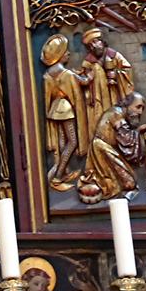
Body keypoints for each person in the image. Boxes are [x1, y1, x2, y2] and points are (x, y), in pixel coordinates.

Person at [77, 93, 146, 204]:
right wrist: (141, 130)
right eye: (138, 107)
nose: (140, 112)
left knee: (129, 183)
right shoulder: (116, 114)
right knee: (129, 184)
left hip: (106, 149)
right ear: (127, 104)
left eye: (142, 108)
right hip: (102, 150)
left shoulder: (118, 113)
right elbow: (127, 139)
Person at [40, 35, 91, 191]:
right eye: (65, 52)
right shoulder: (66, 74)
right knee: (73, 141)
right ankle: (58, 175)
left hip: (55, 108)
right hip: (66, 109)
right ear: (59, 55)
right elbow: (83, 82)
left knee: (62, 139)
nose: (68, 53)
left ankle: (63, 170)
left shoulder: (48, 74)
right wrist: (90, 76)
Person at [79, 28, 133, 133]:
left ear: (102, 41)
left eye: (95, 42)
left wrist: (117, 74)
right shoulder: (88, 62)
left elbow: (127, 70)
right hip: (98, 100)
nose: (93, 46)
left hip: (115, 96)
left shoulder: (114, 56)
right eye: (90, 45)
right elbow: (84, 79)